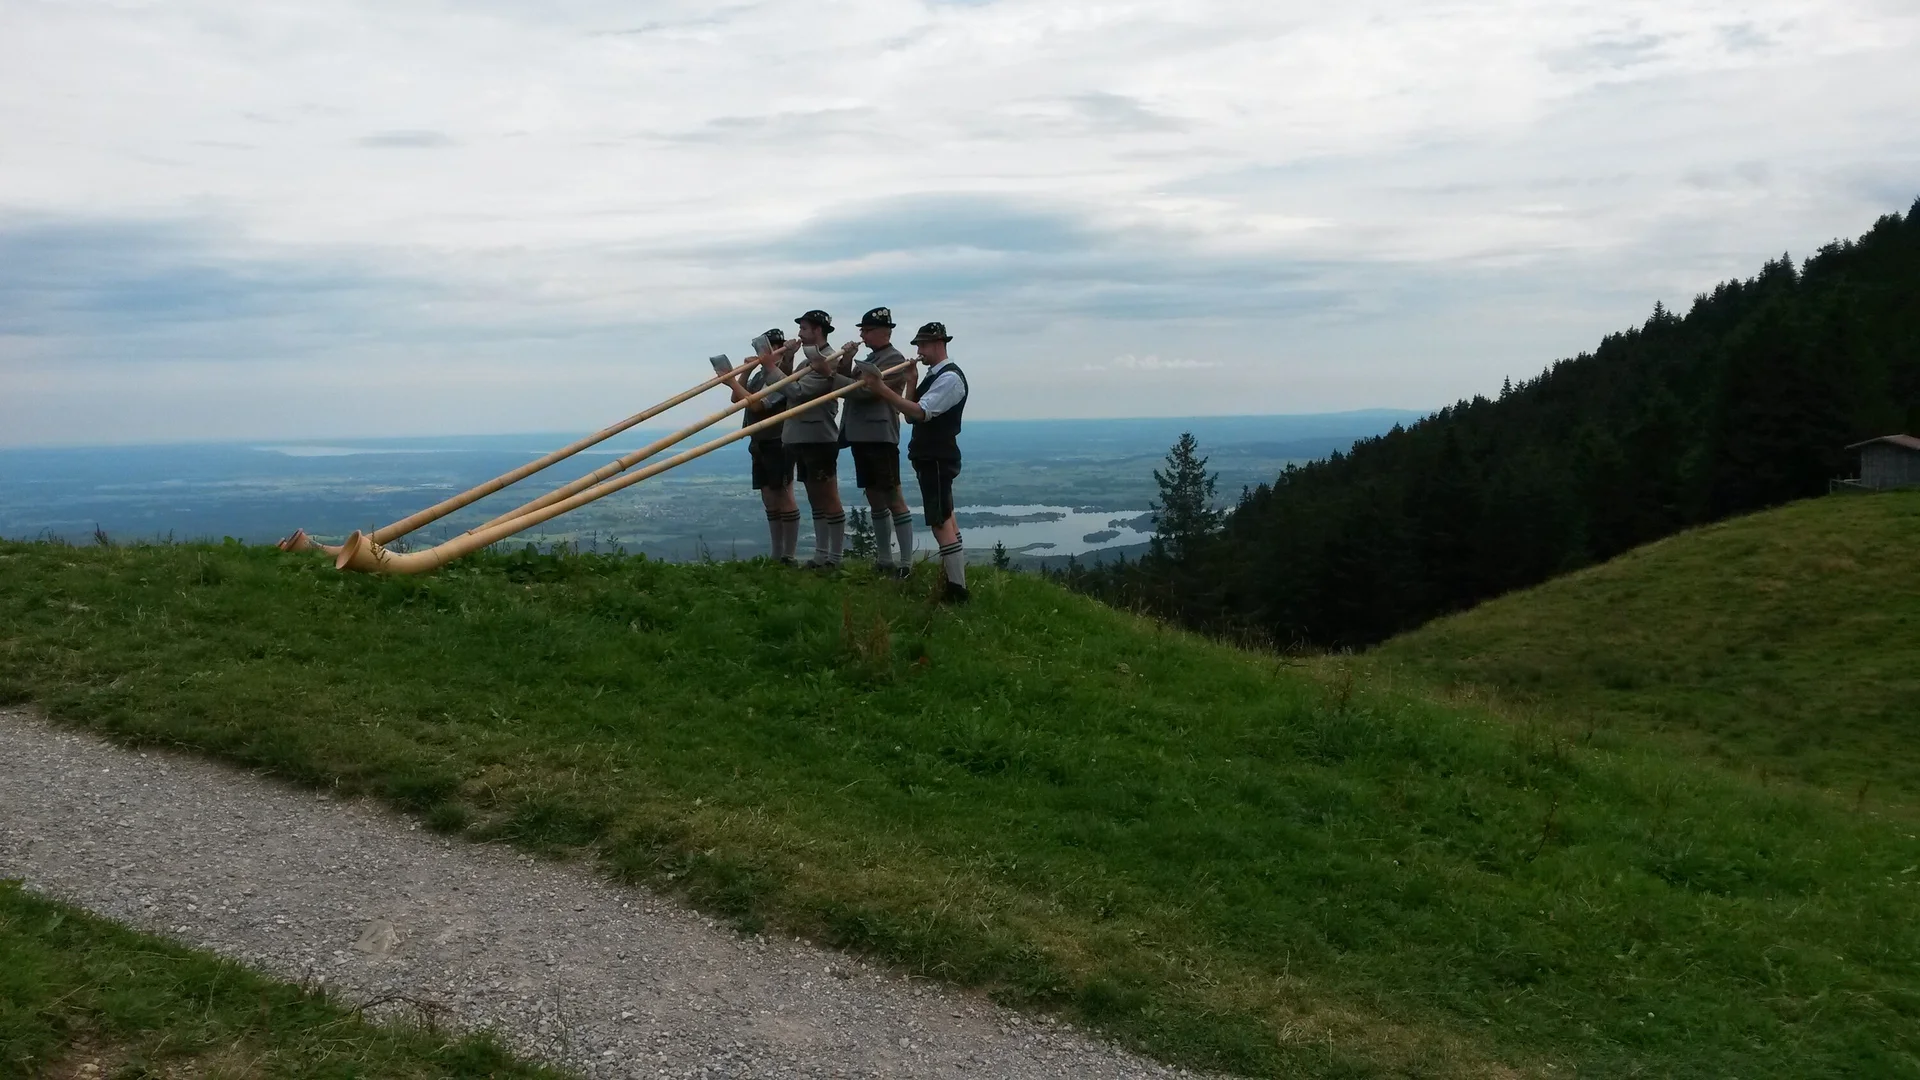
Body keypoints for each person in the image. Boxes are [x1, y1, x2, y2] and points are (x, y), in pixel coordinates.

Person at [859, 321, 969, 602]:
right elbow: (909, 415)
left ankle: (957, 589)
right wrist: (911, 380)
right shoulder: (935, 376)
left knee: (940, 519)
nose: (918, 350)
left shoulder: (950, 378)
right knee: (946, 516)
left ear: (938, 344)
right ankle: (954, 581)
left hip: (937, 456)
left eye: (922, 345)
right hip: (931, 456)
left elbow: (920, 413)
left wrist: (880, 387)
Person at [773, 309, 859, 568]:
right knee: (814, 496)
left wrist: (769, 368)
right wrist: (786, 358)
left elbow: (797, 391)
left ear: (817, 331)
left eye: (804, 328)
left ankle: (835, 557)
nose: (799, 333)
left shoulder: (829, 359)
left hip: (818, 437)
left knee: (828, 495)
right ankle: (822, 555)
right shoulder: (806, 360)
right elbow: (788, 380)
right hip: (800, 435)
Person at [839, 306, 916, 578]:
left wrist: (827, 372)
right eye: (862, 330)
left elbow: (862, 392)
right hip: (862, 434)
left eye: (868, 330)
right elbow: (848, 383)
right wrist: (846, 360)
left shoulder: (893, 359)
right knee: (874, 496)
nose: (863, 334)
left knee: (892, 495)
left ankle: (906, 562)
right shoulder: (871, 358)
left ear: (886, 331)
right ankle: (885, 559)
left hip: (880, 436)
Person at [729, 329, 801, 564]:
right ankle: (777, 552)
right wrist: (744, 372)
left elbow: (759, 406)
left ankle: (788, 554)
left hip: (777, 440)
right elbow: (737, 399)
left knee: (783, 493)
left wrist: (730, 380)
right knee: (769, 497)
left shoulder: (782, 375)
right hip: (759, 441)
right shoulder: (760, 375)